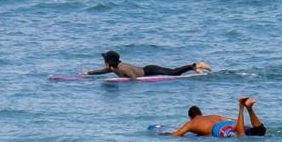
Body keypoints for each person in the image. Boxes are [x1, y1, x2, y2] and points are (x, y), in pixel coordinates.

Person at [164, 97, 267, 138]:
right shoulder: (214, 116)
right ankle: (249, 109)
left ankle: (241, 106)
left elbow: (177, 134)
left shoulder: (192, 123)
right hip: (231, 124)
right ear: (201, 113)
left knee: (240, 136)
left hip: (218, 129)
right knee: (260, 131)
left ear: (190, 117)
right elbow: (233, 120)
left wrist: (165, 134)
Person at [83, 50, 211, 79]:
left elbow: (134, 78)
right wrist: (88, 73)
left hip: (150, 71)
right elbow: (102, 71)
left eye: (105, 59)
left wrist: (129, 87)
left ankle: (197, 65)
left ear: (109, 61)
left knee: (174, 73)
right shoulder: (112, 68)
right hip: (148, 69)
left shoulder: (123, 68)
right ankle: (195, 68)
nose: (103, 61)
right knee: (173, 71)